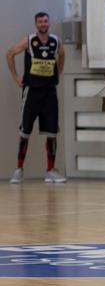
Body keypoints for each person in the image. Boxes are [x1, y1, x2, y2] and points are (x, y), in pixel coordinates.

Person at [7, 12, 66, 183]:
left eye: (45, 21)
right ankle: (18, 170)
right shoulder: (29, 40)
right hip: (32, 92)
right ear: (36, 24)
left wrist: (58, 74)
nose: (43, 24)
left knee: (52, 133)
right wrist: (16, 77)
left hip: (49, 93)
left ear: (49, 23)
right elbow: (9, 54)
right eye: (40, 22)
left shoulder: (55, 41)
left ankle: (51, 170)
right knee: (25, 132)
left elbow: (62, 54)